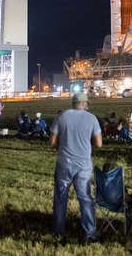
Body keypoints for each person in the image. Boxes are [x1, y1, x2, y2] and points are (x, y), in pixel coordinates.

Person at [50, 93, 102, 242]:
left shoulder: (62, 116)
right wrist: (89, 149)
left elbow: (52, 141)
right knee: (85, 198)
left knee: (60, 197)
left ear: (73, 103)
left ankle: (58, 230)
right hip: (83, 165)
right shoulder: (91, 118)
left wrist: (61, 149)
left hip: (64, 163)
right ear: (85, 103)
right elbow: (98, 143)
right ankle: (89, 233)